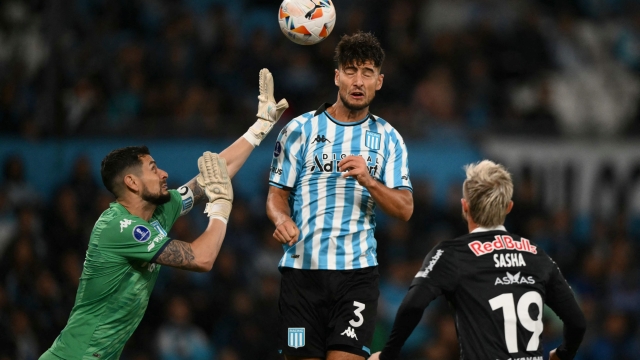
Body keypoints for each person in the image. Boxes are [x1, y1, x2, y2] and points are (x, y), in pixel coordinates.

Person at [39, 68, 288, 360]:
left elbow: (213, 175)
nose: (165, 173)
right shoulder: (118, 227)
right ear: (131, 182)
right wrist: (220, 209)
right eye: (154, 169)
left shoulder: (158, 210)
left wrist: (259, 128)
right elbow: (202, 258)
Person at [267, 31, 414, 360]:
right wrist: (281, 218)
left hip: (356, 276)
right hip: (301, 274)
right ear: (337, 76)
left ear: (380, 81)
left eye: (367, 72)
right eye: (350, 71)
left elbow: (405, 209)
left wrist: (370, 181)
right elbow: (277, 194)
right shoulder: (299, 129)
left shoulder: (389, 138)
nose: (358, 81)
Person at [368, 160, 586, 360]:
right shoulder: (536, 254)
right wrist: (564, 353)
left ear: (465, 207)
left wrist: (388, 354)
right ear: (509, 207)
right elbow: (577, 322)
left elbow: (412, 306)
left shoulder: (452, 254)